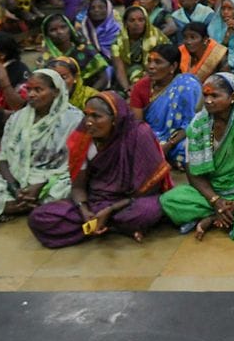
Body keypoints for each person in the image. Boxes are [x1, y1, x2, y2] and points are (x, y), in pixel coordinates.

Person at [28, 91, 171, 247]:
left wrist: (110, 209)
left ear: (115, 119)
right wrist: (84, 210)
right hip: (96, 201)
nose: (88, 122)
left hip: (129, 202)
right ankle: (111, 227)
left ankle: (105, 225)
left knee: (146, 211)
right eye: (86, 115)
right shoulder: (83, 137)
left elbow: (150, 187)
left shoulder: (139, 134)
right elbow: (77, 186)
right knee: (39, 217)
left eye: (96, 116)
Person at [160, 73, 234, 240]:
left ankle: (214, 217)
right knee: (170, 200)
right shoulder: (198, 124)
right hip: (213, 191)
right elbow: (192, 171)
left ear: (232, 97)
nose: (208, 100)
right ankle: (221, 213)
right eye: (206, 95)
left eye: (214, 95)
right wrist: (215, 201)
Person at [0, 70, 82, 228]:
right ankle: (25, 205)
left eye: (38, 90)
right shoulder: (17, 119)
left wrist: (40, 185)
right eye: (29, 89)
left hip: (53, 181)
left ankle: (18, 206)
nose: (31, 94)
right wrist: (14, 187)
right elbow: (4, 158)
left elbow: (76, 163)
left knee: (66, 192)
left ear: (56, 92)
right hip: (18, 178)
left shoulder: (73, 119)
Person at [129, 44, 202, 167]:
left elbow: (192, 123)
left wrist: (169, 144)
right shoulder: (141, 87)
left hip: (180, 138)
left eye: (158, 62)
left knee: (192, 147)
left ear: (173, 66)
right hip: (152, 138)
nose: (151, 66)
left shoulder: (187, 85)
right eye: (149, 61)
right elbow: (138, 125)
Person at [41, 13, 110, 89]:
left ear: (70, 28)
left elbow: (103, 78)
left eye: (63, 27)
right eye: (53, 30)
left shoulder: (85, 50)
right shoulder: (47, 60)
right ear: (47, 36)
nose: (59, 32)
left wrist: (87, 97)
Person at [111, 5, 170, 90]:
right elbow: (119, 69)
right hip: (129, 77)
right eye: (132, 20)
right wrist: (127, 89)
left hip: (158, 73)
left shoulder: (156, 37)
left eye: (141, 20)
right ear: (125, 23)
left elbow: (165, 61)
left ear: (146, 21)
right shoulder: (118, 42)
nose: (136, 23)